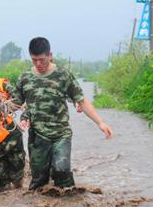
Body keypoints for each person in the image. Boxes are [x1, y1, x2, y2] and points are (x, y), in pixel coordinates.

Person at [15, 37, 113, 190]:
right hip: (38, 136)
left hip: (61, 134)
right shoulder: (25, 78)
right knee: (38, 182)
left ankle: (70, 199)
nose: (38, 64)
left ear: (50, 55)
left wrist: (100, 123)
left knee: (61, 170)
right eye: (34, 60)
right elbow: (15, 103)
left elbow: (81, 100)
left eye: (42, 60)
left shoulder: (62, 75)